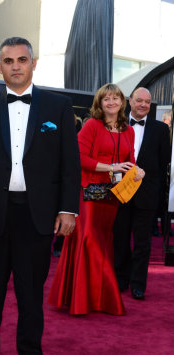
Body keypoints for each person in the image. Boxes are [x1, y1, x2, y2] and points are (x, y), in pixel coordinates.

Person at [0, 37, 81, 355]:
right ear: (0, 66)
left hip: (38, 217)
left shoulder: (59, 107)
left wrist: (67, 210)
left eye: (22, 59)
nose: (15, 66)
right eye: (8, 60)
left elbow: (69, 165)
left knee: (30, 295)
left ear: (33, 63)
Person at [48, 83, 145, 315]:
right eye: (106, 99)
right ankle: (86, 299)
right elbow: (79, 157)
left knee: (102, 242)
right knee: (89, 239)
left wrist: (137, 171)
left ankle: (98, 298)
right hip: (88, 193)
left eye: (115, 98)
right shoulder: (92, 125)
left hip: (110, 197)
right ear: (99, 103)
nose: (111, 102)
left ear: (123, 102)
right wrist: (109, 167)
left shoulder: (128, 131)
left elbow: (129, 160)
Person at [113, 87, 170, 300]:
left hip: (146, 194)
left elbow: (163, 161)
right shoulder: (116, 124)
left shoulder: (161, 130)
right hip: (120, 192)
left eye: (147, 102)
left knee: (143, 242)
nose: (143, 105)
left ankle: (138, 284)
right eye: (139, 101)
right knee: (119, 239)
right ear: (130, 101)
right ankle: (121, 279)